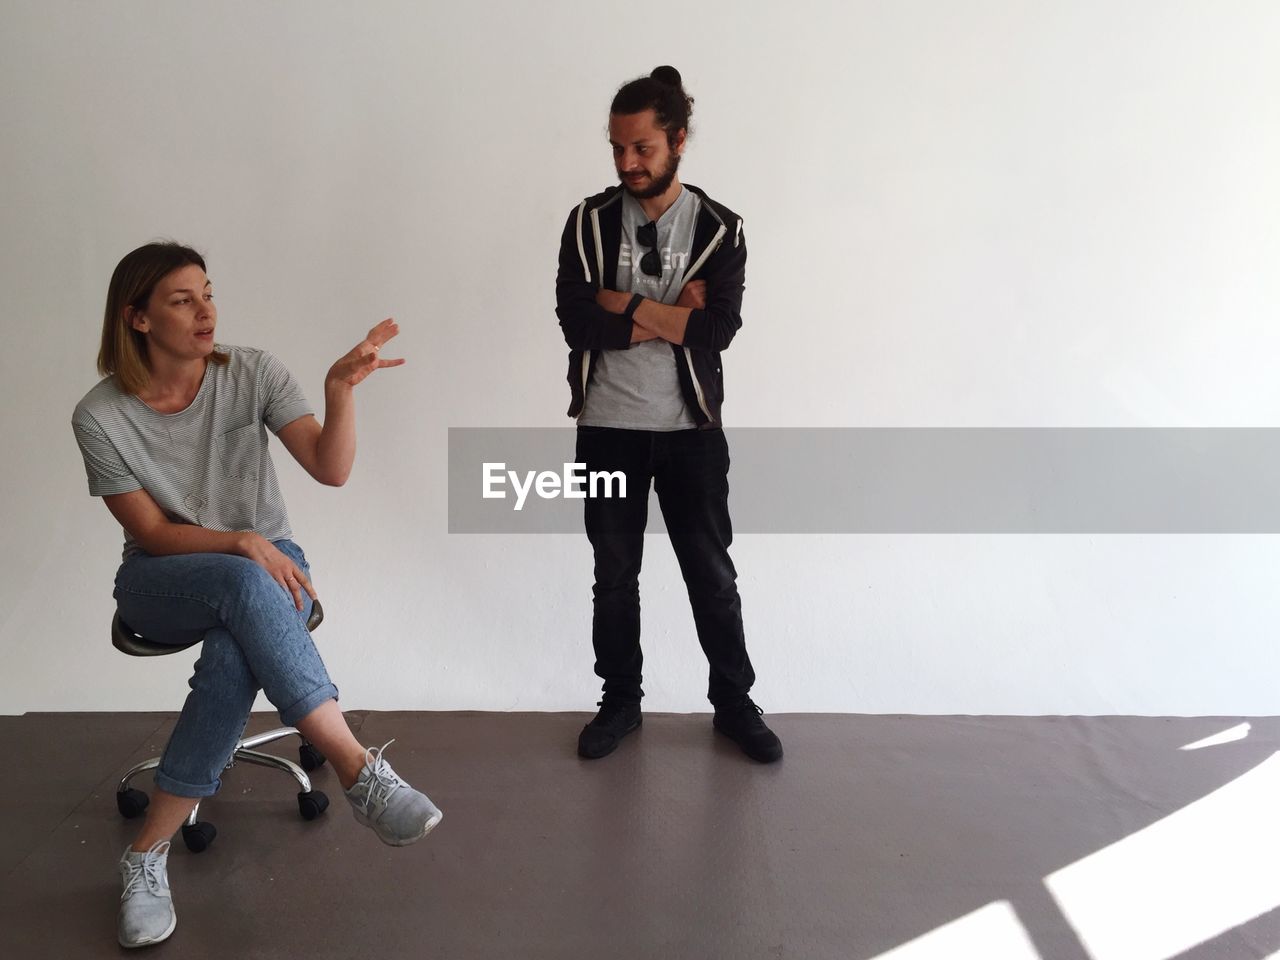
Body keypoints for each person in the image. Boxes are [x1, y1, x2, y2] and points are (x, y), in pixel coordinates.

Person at [72, 242, 442, 949]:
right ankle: (356, 767)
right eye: (182, 300)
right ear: (138, 318)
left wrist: (339, 393)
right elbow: (149, 530)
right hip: (164, 575)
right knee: (244, 579)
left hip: (273, 567)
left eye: (208, 292)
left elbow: (330, 470)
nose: (206, 310)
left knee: (232, 654)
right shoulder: (100, 415)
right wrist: (240, 542)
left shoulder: (253, 371)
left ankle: (146, 854)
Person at [555, 67, 782, 764]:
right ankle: (621, 703)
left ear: (678, 141)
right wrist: (666, 312)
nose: (627, 164)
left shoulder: (720, 229)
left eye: (643, 149)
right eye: (618, 149)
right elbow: (575, 320)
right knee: (614, 574)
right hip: (607, 431)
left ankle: (735, 705)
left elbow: (716, 332)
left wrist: (621, 302)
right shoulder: (588, 222)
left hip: (692, 437)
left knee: (710, 572)